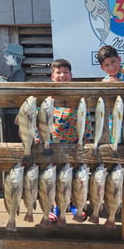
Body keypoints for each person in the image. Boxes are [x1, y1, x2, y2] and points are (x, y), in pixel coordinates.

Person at [36, 58, 93, 222]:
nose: (62, 75)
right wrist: (37, 135)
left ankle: (75, 204)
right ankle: (55, 206)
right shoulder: (47, 99)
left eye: (65, 72)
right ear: (52, 76)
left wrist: (87, 137)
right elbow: (38, 119)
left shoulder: (78, 96)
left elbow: (86, 117)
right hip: (52, 144)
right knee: (53, 178)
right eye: (58, 73)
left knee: (75, 176)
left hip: (75, 143)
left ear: (71, 75)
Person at [0, 43, 26, 142]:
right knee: (10, 136)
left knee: (15, 138)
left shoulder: (20, 72)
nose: (5, 57)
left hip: (14, 112)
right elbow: (9, 83)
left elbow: (13, 88)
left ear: (15, 56)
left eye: (7, 55)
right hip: (9, 111)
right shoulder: (15, 72)